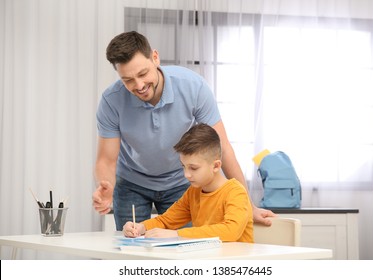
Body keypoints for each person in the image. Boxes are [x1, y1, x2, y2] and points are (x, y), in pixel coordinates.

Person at [92, 31, 275, 230]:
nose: (139, 85)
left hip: (180, 182)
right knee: (131, 246)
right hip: (132, 183)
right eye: (128, 80)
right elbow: (106, 160)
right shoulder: (112, 101)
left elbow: (223, 148)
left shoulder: (193, 87)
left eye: (143, 74)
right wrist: (106, 185)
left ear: (155, 57)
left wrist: (248, 204)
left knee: (184, 249)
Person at [123, 123, 253, 242]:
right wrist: (141, 227)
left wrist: (177, 234)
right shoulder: (193, 192)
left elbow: (231, 231)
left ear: (216, 166)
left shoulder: (236, 192)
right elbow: (167, 220)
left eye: (193, 168)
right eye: (183, 166)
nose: (186, 174)